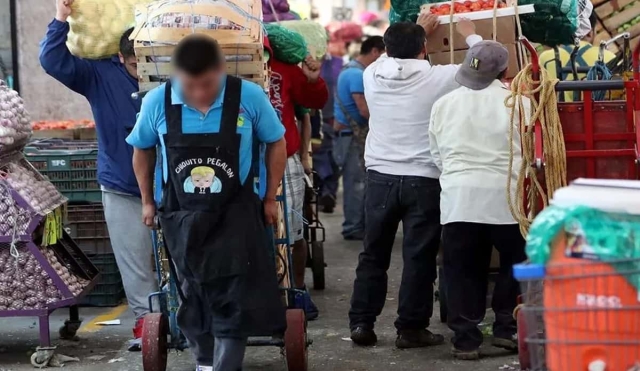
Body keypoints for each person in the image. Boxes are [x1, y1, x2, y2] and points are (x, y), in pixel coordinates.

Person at [126, 35, 287, 371]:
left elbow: (276, 143)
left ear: (222, 71)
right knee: (191, 293)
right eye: (191, 85)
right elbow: (142, 150)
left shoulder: (249, 97)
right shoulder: (158, 101)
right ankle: (204, 361)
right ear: (176, 75)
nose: (200, 93)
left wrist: (270, 197)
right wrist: (146, 202)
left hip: (235, 216)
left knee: (234, 293)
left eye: (208, 84)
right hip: (183, 218)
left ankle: (226, 366)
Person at [348, 15, 481, 348]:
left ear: (387, 49)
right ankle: (410, 329)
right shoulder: (441, 78)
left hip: (380, 177)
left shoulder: (371, 74)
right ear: (425, 49)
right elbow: (484, 65)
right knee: (419, 256)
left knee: (373, 253)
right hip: (425, 179)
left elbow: (390, 54)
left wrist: (417, 28)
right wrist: (471, 36)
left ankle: (362, 323)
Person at [39, 0, 157, 350]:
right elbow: (52, 61)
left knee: (179, 258)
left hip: (170, 185)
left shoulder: (169, 73)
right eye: (135, 65)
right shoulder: (98, 74)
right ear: (121, 58)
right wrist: (61, 18)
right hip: (121, 185)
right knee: (134, 261)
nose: (142, 71)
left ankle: (186, 320)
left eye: (146, 63)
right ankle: (146, 326)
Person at [429, 41, 529, 360]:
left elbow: (437, 155)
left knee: (461, 269)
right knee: (515, 263)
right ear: (505, 71)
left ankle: (466, 339)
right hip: (506, 200)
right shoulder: (520, 104)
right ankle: (505, 328)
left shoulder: (443, 104)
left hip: (459, 200)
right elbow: (529, 153)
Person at [267, 38, 329, 320]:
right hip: (240, 164)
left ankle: (298, 291)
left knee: (293, 232)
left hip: (287, 159)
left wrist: (314, 79)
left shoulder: (286, 69)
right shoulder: (222, 72)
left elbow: (314, 102)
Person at [333, 36, 385, 241]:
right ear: (374, 51)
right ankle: (353, 226)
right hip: (351, 137)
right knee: (356, 184)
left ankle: (356, 224)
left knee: (356, 182)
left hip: (348, 136)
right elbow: (364, 109)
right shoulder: (356, 74)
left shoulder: (349, 69)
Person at [538, 2, 615, 101]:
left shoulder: (546, 58)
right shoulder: (608, 57)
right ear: (589, 33)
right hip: (600, 115)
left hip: (557, 115)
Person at [314, 50, 344, 213]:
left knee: (332, 159)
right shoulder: (304, 61)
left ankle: (326, 193)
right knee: (323, 158)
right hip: (317, 119)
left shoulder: (338, 63)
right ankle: (326, 192)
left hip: (333, 120)